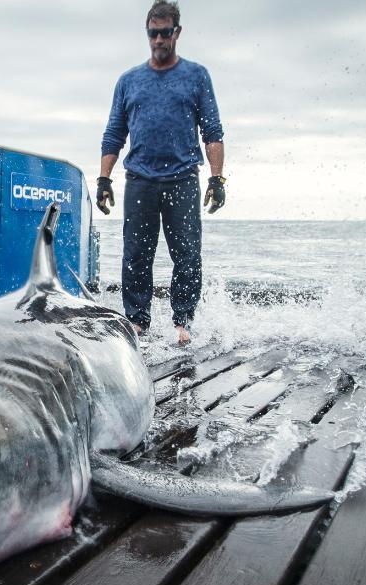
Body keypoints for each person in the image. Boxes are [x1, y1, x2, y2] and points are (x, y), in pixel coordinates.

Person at [96, 0, 225, 345]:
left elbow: (212, 131)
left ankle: (183, 321)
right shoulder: (128, 81)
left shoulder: (196, 76)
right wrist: (104, 179)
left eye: (165, 33)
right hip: (140, 180)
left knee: (187, 253)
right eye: (153, 33)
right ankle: (137, 321)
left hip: (183, 178)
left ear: (177, 33)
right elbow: (113, 133)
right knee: (136, 253)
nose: (159, 40)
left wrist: (217, 178)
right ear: (148, 33)